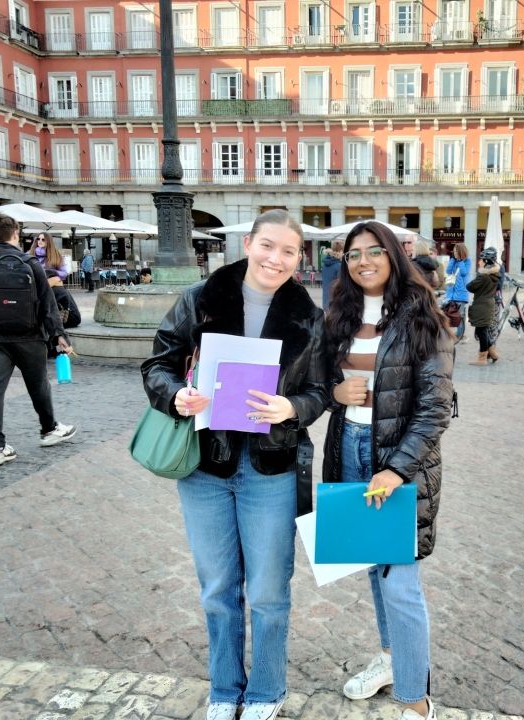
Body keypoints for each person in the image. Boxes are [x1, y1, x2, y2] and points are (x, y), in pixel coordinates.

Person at [140, 209, 330, 720]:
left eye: (288, 251)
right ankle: (225, 689)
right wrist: (176, 395)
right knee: (219, 588)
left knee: (268, 589)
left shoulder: (310, 318)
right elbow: (157, 364)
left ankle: (266, 690)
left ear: (299, 257)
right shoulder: (200, 299)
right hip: (207, 466)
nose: (276, 258)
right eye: (268, 246)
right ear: (250, 244)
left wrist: (293, 408)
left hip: (272, 467)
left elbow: (320, 390)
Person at [322, 220, 454, 720]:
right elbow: (320, 382)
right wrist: (336, 394)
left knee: (400, 580)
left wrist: (395, 471)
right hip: (349, 448)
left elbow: (435, 410)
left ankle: (416, 700)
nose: (363, 261)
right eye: (354, 254)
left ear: (395, 257)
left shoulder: (425, 318)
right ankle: (391, 659)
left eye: (374, 251)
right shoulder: (339, 315)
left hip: (398, 463)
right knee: (373, 570)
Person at [0, 212, 77, 466]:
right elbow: (48, 304)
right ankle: (48, 430)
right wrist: (59, 334)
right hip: (29, 335)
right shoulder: (30, 264)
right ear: (15, 233)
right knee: (38, 385)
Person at [466, 247, 501, 364]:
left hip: (482, 305)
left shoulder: (483, 276)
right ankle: (493, 353)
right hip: (488, 303)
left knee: (482, 332)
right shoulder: (495, 274)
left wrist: (478, 275)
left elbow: (470, 286)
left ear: (486, 261)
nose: (479, 261)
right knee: (483, 330)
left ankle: (482, 358)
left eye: (481, 259)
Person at [442, 244, 472, 343]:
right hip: (451, 293)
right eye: (453, 251)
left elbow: (464, 272)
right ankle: (451, 334)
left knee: (460, 316)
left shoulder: (467, 261)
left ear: (460, 251)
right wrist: (453, 260)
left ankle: (460, 335)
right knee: (449, 314)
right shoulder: (453, 260)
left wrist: (460, 261)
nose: (454, 253)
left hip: (461, 294)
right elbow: (448, 271)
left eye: (455, 251)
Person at [321, 240, 344, 309]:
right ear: (340, 251)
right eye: (343, 251)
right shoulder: (339, 266)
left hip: (326, 301)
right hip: (336, 303)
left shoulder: (325, 265)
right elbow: (342, 286)